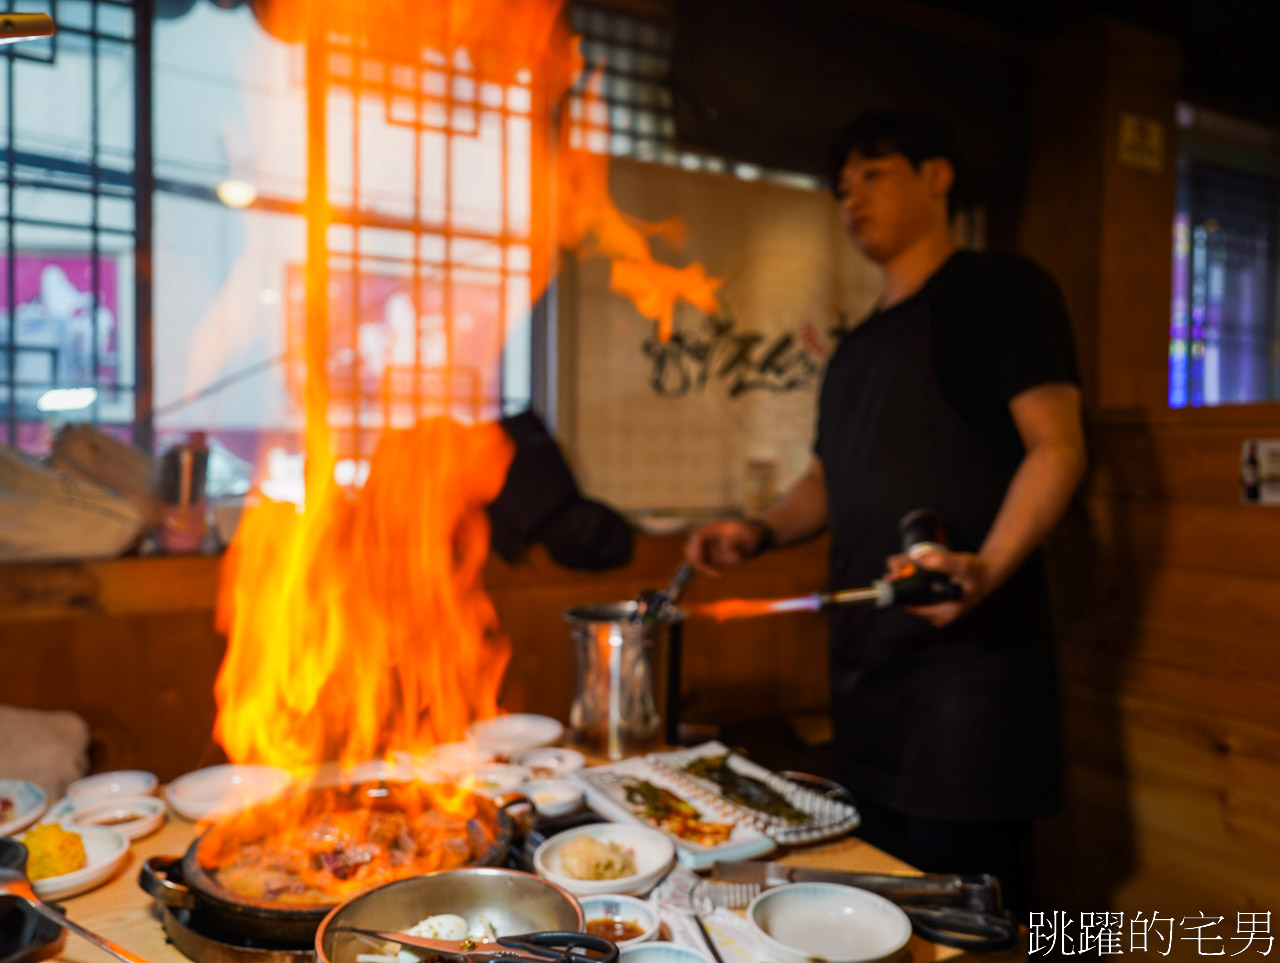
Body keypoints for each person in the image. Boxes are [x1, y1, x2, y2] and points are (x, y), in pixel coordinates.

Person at [685, 111, 1086, 917]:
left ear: (937, 175)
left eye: (873, 174)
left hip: (968, 684)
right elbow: (828, 484)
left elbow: (1059, 448)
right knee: (879, 912)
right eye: (841, 187)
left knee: (973, 920)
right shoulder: (857, 348)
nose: (851, 198)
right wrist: (758, 529)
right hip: (868, 693)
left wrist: (986, 565)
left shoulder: (999, 290)